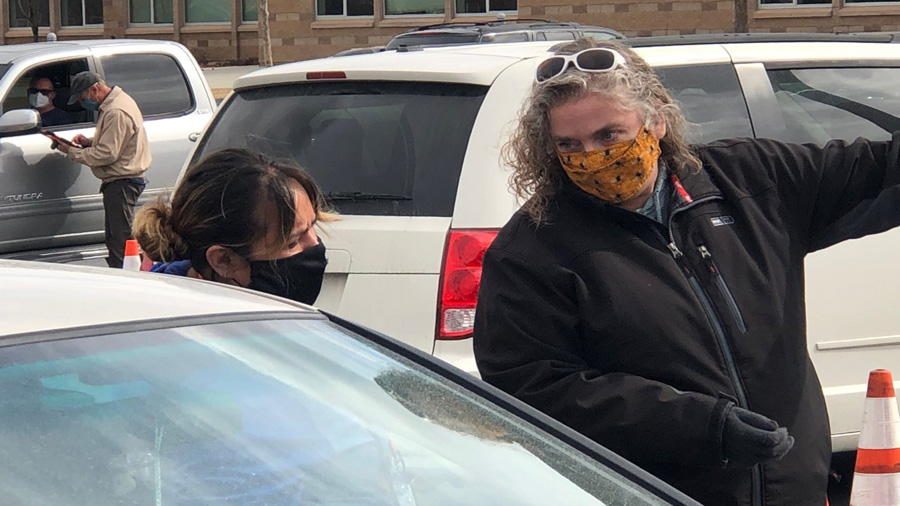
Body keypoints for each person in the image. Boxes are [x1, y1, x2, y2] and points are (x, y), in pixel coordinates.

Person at [473, 38, 900, 506]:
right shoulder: (532, 249)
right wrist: (702, 425)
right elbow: (533, 388)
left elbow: (879, 173)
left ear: (656, 120)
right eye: (569, 145)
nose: (592, 157)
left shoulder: (750, 179)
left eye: (609, 135)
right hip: (654, 494)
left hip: (791, 488)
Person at [133, 147, 333, 305]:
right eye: (292, 242)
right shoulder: (173, 331)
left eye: (312, 226)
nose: (315, 244)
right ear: (224, 260)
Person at [53, 71, 150, 268]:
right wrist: (89, 142)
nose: (83, 102)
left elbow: (107, 154)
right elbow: (116, 141)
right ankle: (126, 270)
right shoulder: (118, 103)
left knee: (120, 239)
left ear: (95, 89)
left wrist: (72, 151)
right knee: (118, 235)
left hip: (122, 181)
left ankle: (128, 275)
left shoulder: (115, 111)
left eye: (83, 97)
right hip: (124, 180)